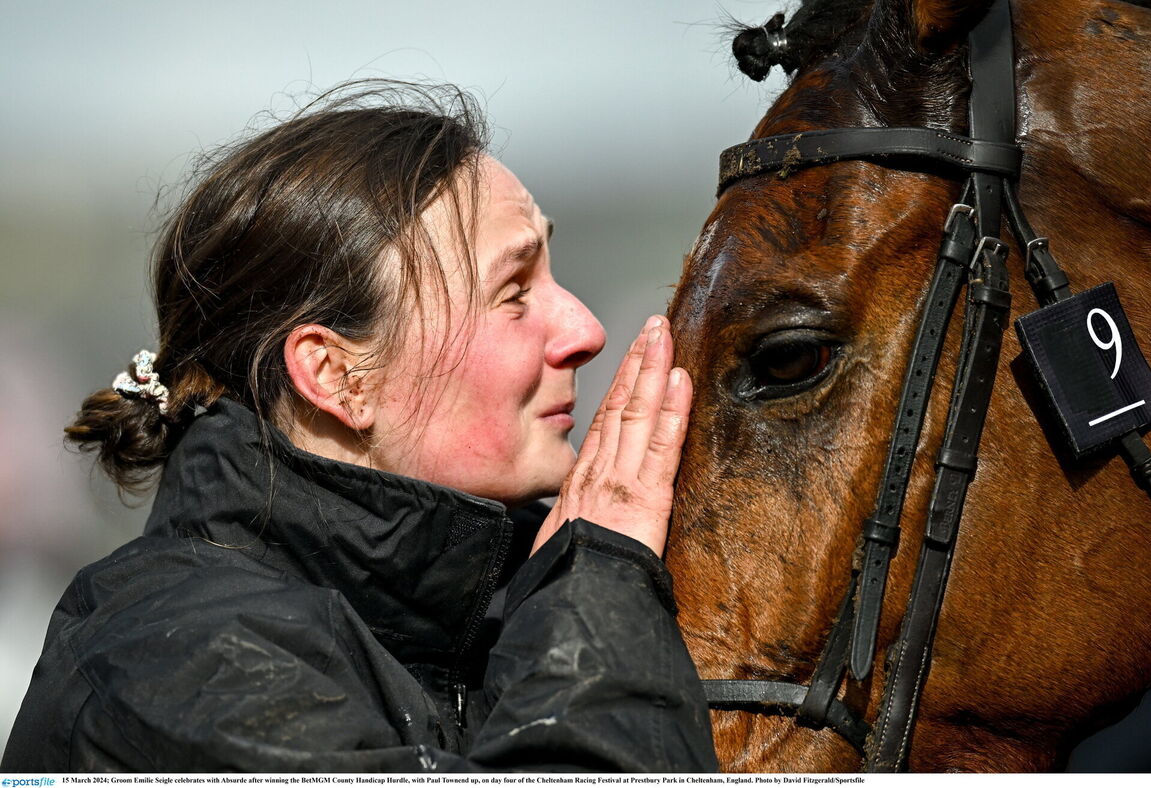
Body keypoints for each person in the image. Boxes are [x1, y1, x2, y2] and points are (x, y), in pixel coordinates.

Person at [2, 83, 717, 772]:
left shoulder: (509, 599)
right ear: (338, 376)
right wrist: (600, 591)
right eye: (514, 292)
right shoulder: (177, 667)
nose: (585, 330)